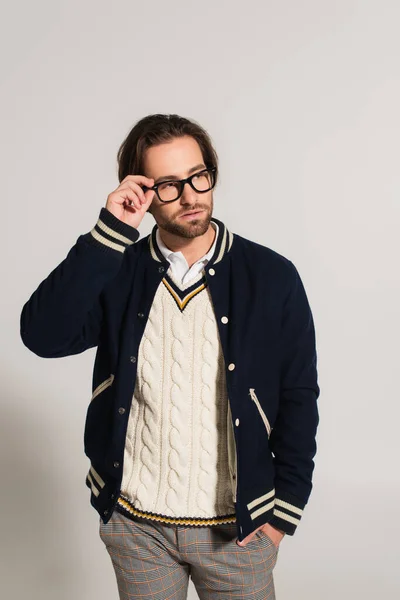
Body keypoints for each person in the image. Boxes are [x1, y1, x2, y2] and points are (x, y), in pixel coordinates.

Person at [20, 113, 320, 599]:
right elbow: (42, 335)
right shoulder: (120, 269)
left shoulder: (271, 275)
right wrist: (109, 232)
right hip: (137, 527)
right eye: (168, 185)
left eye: (198, 176)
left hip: (238, 531)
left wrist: (282, 514)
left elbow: (299, 394)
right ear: (141, 191)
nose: (190, 195)